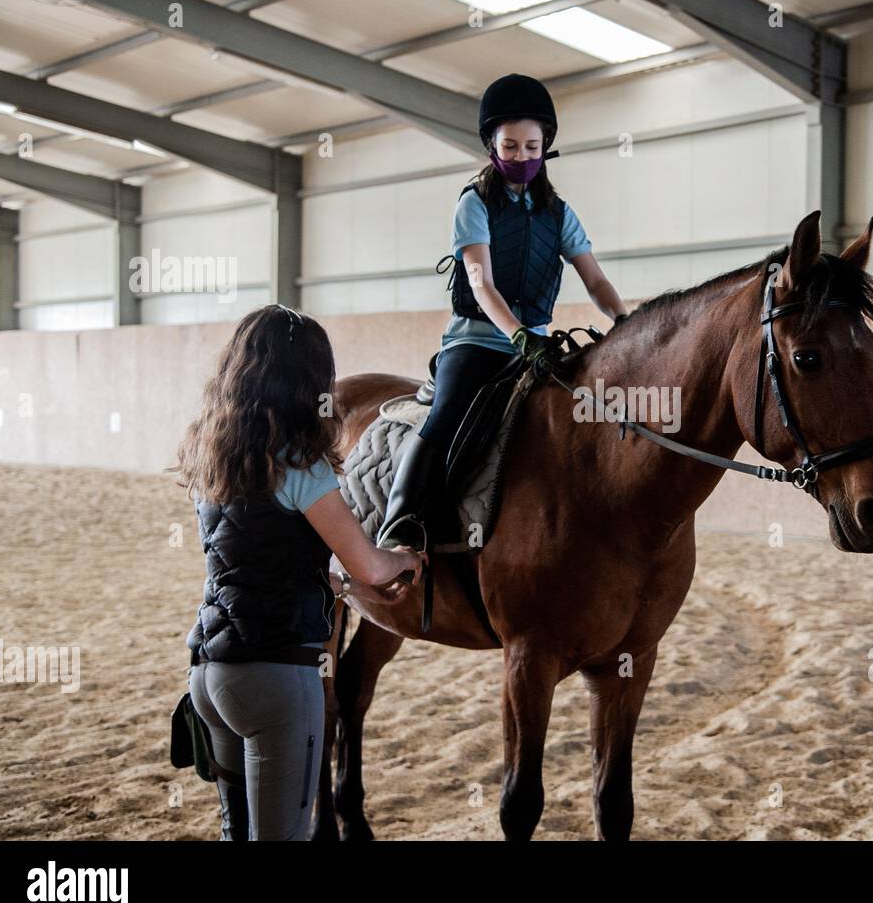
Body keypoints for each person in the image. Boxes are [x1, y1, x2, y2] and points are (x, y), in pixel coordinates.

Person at [173, 304, 425, 840]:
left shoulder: (209, 453)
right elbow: (368, 565)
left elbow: (252, 556)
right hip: (276, 679)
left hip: (208, 673)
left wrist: (326, 581)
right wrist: (404, 558)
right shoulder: (300, 465)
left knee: (234, 833)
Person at [378, 73, 630, 554]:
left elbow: (595, 280)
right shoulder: (474, 203)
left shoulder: (560, 213)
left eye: (531, 146)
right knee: (447, 415)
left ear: (545, 145)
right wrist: (517, 335)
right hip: (476, 340)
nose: (521, 157)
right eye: (510, 146)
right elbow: (480, 282)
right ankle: (402, 519)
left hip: (537, 345)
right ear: (492, 146)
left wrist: (625, 320)